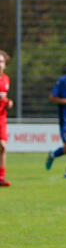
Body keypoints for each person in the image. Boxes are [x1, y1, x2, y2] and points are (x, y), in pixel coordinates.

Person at [0, 50, 14, 187]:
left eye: (1, 62)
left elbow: (4, 98)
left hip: (2, 118)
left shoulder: (6, 79)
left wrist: (8, 102)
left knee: (3, 146)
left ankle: (1, 177)